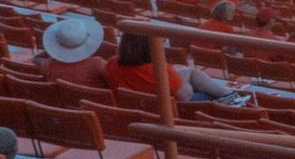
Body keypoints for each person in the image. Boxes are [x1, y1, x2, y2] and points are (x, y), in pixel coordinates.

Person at [108, 31, 242, 102]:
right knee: (200, 87)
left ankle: (227, 93)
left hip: (139, 104)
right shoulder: (161, 71)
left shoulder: (112, 63)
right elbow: (186, 97)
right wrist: (184, 82)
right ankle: (228, 95)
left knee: (189, 72)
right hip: (172, 109)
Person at [38, 14, 112, 87]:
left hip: (66, 98)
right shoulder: (97, 64)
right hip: (94, 99)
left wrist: (53, 47)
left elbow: (36, 59)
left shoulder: (49, 65)